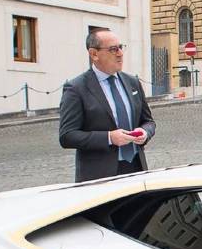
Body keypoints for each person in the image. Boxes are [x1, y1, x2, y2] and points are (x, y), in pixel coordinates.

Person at [58, 28, 155, 182]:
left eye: (120, 47)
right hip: (100, 176)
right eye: (113, 49)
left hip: (136, 168)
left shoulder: (132, 82)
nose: (120, 53)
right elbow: (67, 136)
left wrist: (144, 132)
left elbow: (148, 121)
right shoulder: (76, 88)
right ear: (94, 54)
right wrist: (109, 138)